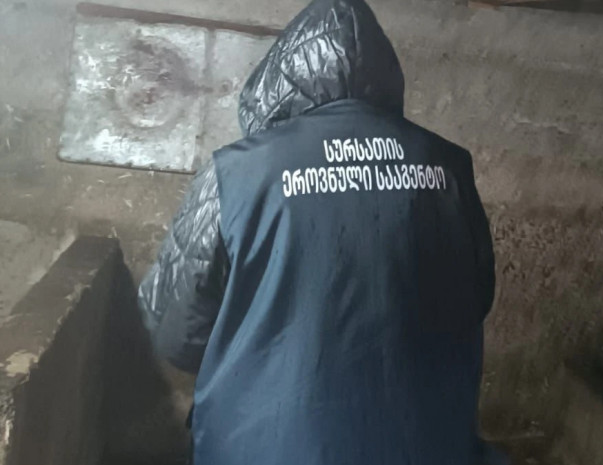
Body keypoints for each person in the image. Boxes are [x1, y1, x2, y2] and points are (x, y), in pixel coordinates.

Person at [138, 0, 502, 464]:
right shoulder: (448, 167)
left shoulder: (235, 174)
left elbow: (176, 336)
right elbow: (476, 298)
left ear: (283, 76)